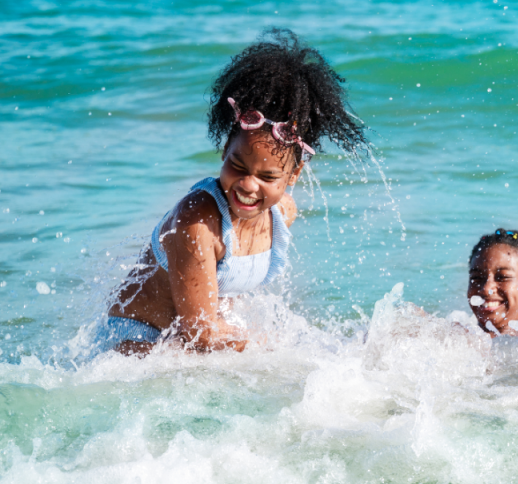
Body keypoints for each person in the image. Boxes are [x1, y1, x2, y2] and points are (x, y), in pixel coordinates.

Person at [97, 29, 367, 356]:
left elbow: (220, 297)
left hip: (181, 344)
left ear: (293, 173)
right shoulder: (196, 222)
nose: (248, 185)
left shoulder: (282, 213)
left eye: (268, 176)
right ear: (225, 148)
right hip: (137, 344)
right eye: (238, 166)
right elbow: (202, 334)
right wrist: (277, 346)